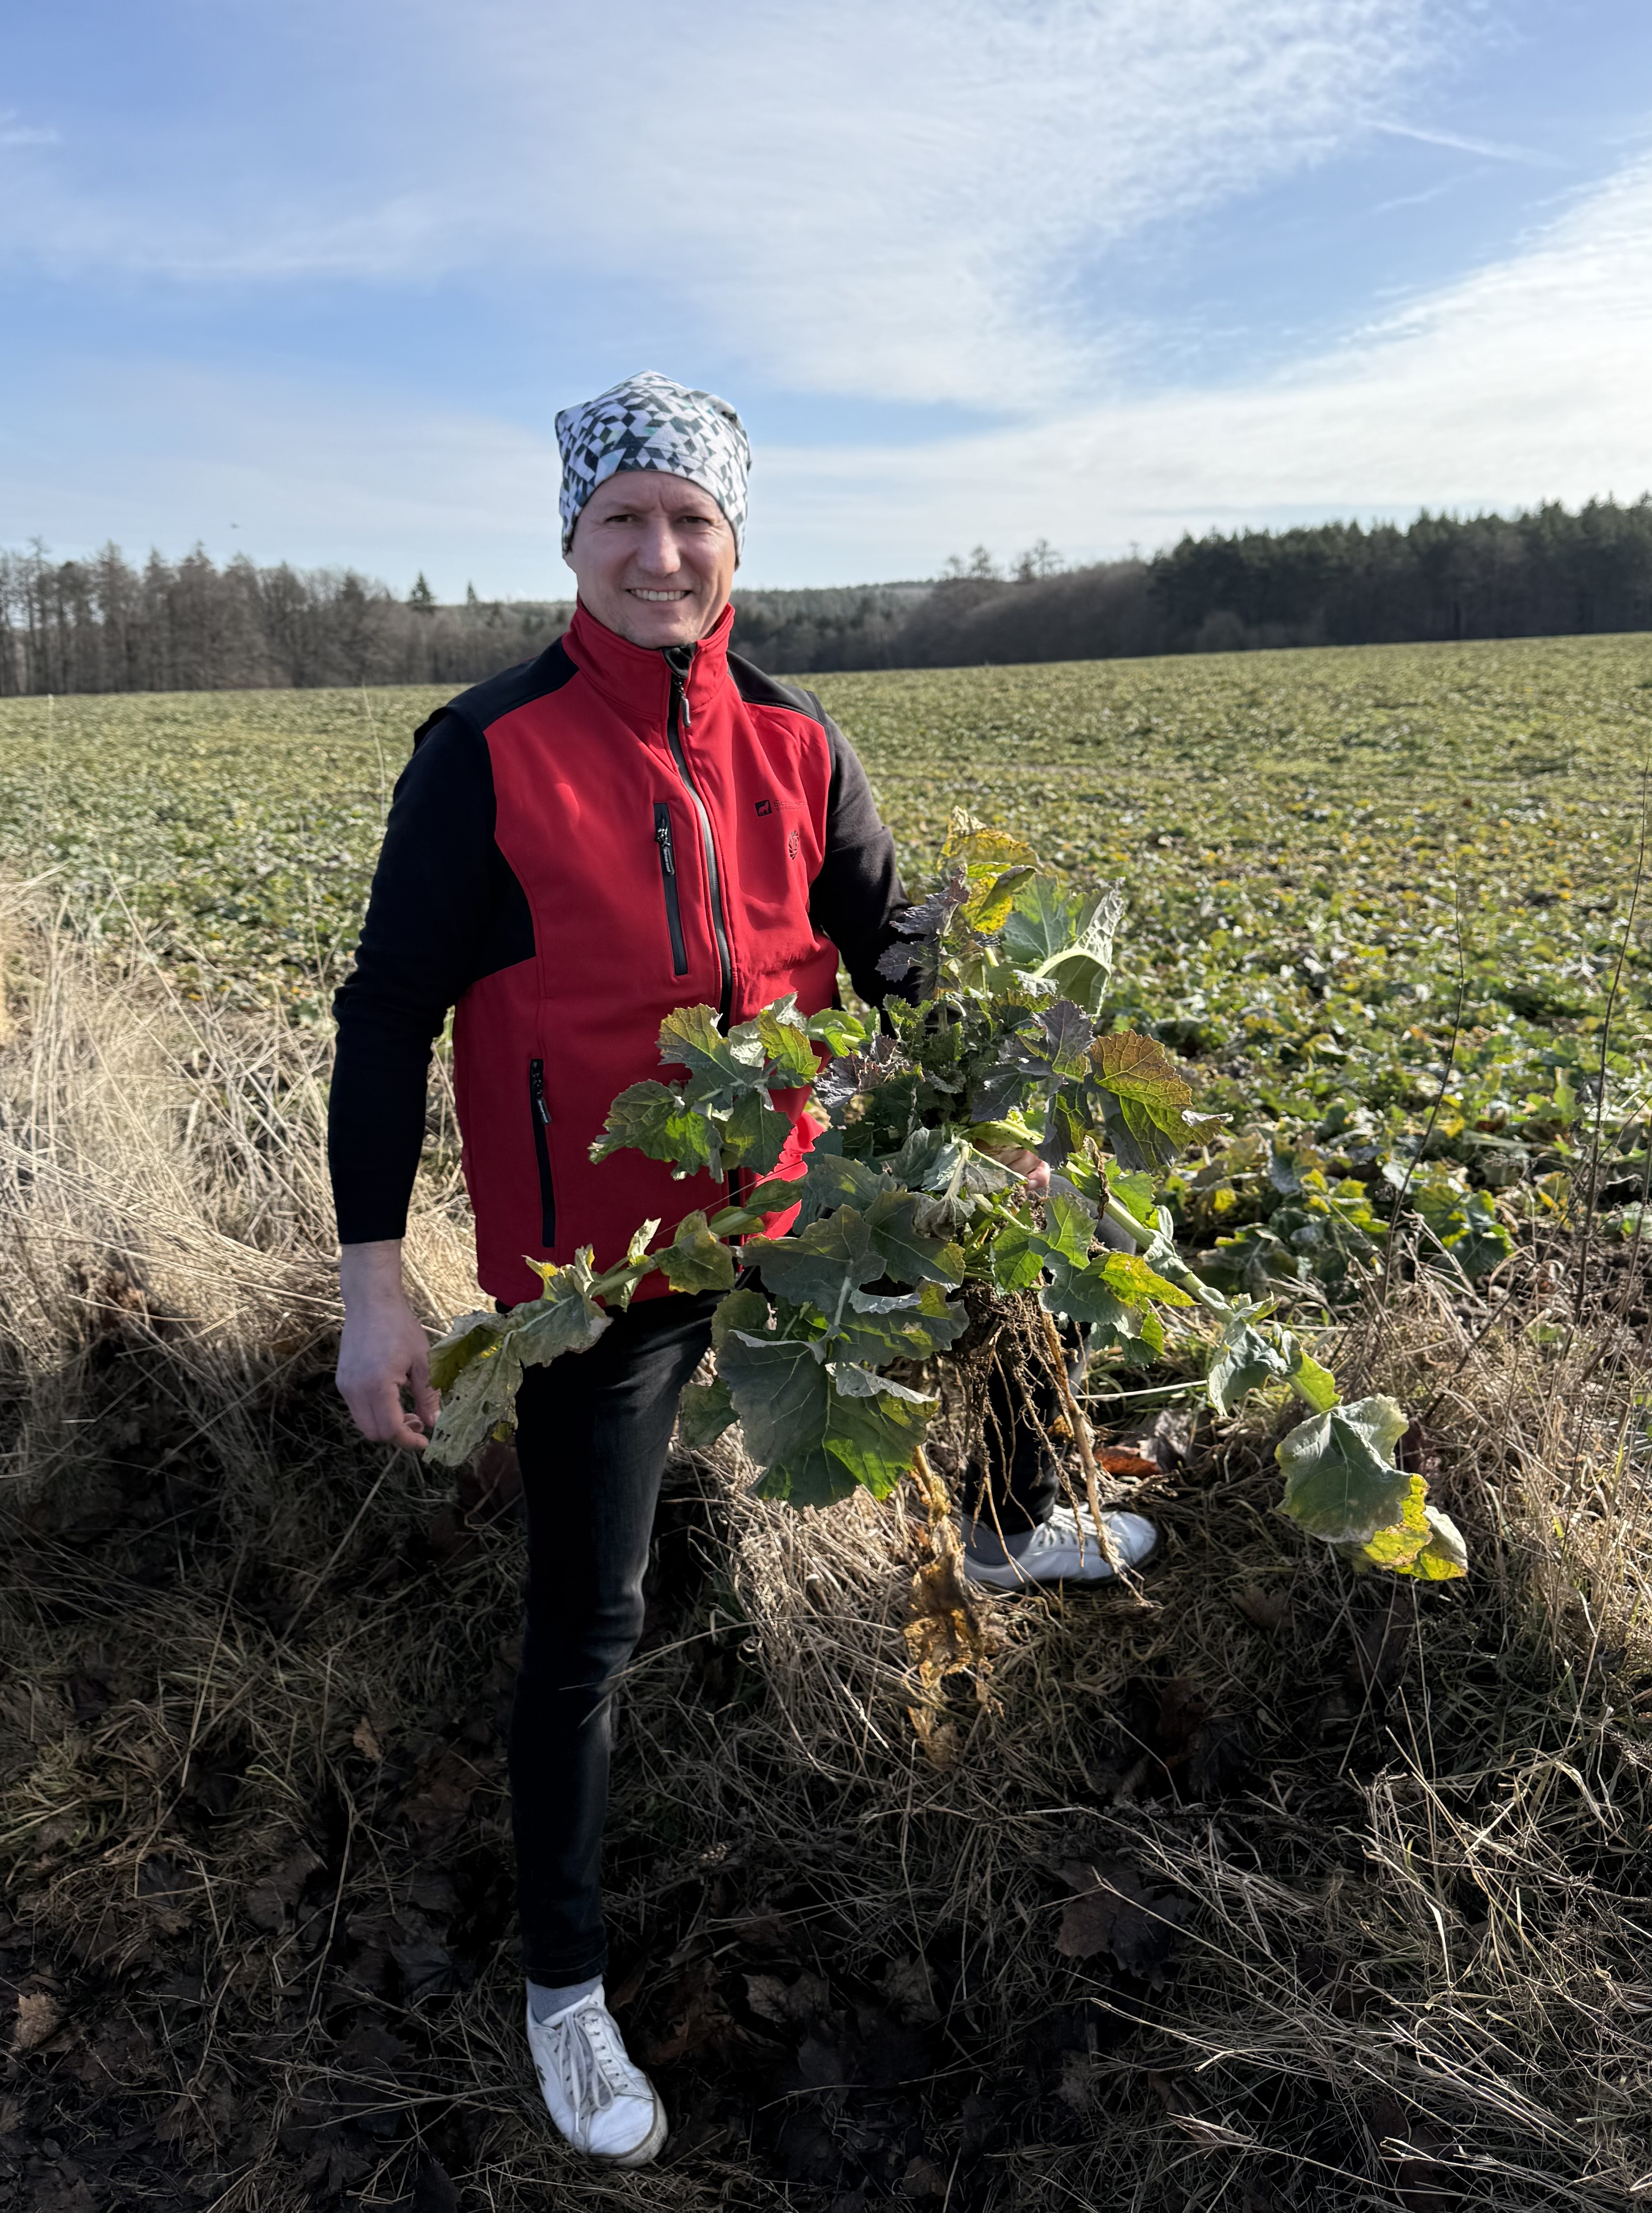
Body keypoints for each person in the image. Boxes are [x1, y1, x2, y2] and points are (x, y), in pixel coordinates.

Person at [327, 371, 1157, 2167]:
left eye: (690, 518)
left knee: (996, 1238)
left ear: (734, 538)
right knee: (592, 1624)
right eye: (622, 517)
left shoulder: (795, 736)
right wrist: (373, 1278)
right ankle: (565, 1988)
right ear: (571, 539)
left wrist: (1003, 1087)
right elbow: (386, 1016)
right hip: (598, 1263)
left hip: (792, 1212)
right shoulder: (486, 752)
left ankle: (1009, 1517)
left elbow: (889, 941)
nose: (660, 551)